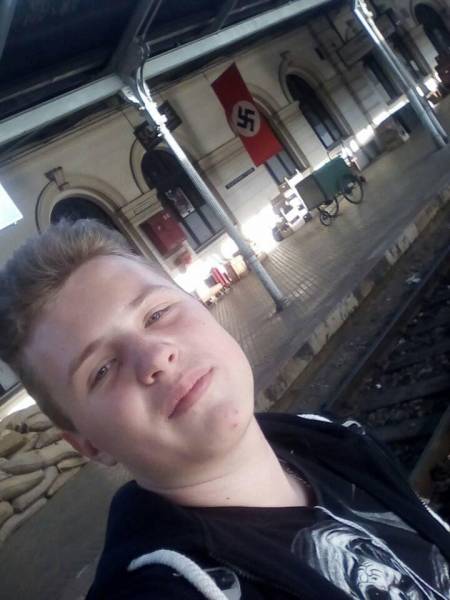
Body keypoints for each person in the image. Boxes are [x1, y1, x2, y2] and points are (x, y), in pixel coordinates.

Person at [0, 219, 449, 600]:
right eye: (101, 370)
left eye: (156, 314)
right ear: (89, 445)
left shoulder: (332, 438)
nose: (156, 357)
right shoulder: (163, 589)